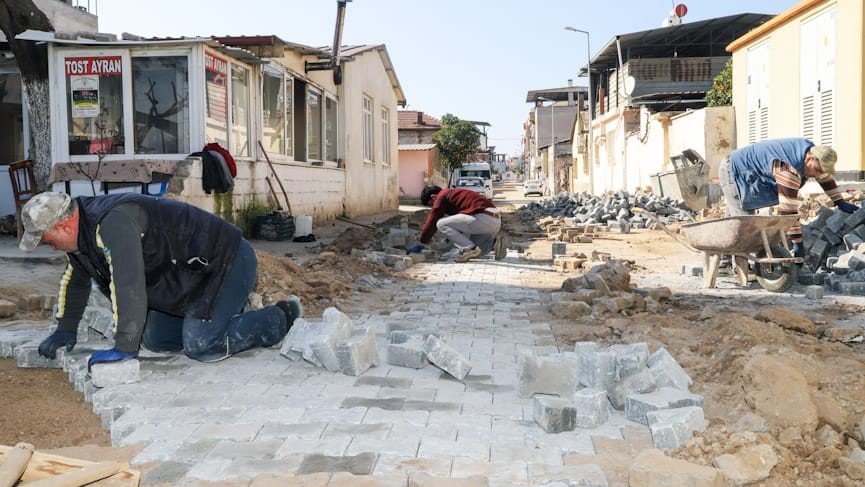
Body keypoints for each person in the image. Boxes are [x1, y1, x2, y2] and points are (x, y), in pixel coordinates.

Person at [19, 192, 302, 367]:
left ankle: (280, 317)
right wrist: (65, 329)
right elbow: (76, 280)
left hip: (225, 262)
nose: (50, 247)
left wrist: (124, 346)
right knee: (155, 338)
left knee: (202, 346)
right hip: (189, 279)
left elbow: (127, 282)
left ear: (63, 225)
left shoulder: (112, 223)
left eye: (46, 240)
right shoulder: (80, 240)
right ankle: (222, 315)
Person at [718, 138, 857, 258]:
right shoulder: (788, 170)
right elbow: (788, 212)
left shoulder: (811, 151)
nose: (817, 175)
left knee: (733, 222)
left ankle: (724, 258)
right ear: (810, 159)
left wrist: (839, 201)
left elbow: (823, 175)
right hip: (735, 172)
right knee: (744, 224)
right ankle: (740, 266)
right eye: (817, 170)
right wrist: (798, 244)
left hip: (746, 169)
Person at [409, 185, 506, 263]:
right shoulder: (454, 195)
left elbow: (432, 220)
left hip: (483, 218)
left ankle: (469, 248)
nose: (433, 207)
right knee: (478, 251)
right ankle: (494, 244)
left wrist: (422, 243)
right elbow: (459, 227)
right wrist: (447, 241)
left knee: (440, 224)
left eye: (431, 205)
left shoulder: (441, 196)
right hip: (495, 221)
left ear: (433, 197)